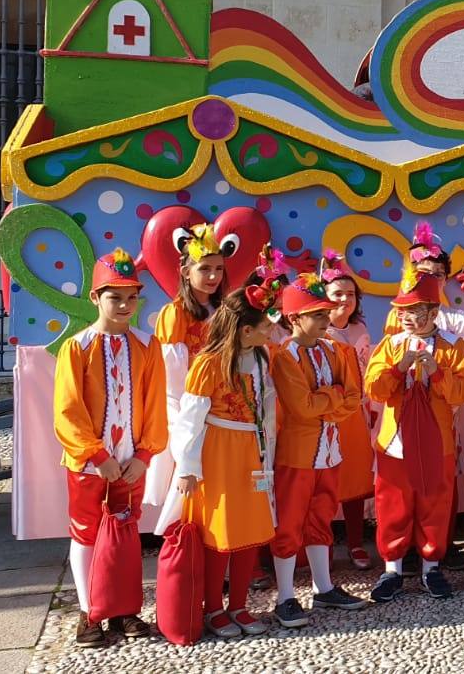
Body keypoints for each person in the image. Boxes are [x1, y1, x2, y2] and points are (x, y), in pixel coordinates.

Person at [53, 251, 167, 648]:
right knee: (87, 533)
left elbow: (155, 405)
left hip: (131, 463)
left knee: (125, 531)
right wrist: (96, 457)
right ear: (95, 299)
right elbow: (68, 409)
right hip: (90, 466)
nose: (123, 306)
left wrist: (145, 455)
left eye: (130, 297)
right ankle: (89, 613)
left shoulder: (147, 345)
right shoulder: (77, 348)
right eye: (114, 297)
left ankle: (122, 609)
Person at [161, 286, 280, 638]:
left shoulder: (261, 358)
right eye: (265, 326)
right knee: (220, 532)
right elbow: (190, 419)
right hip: (218, 451)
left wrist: (267, 449)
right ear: (246, 330)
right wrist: (187, 467)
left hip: (251, 450)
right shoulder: (208, 363)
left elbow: (265, 404)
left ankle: (239, 606)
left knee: (251, 530)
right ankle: (213, 607)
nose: (270, 331)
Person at [364, 272, 464, 602]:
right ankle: (393, 569)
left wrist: (437, 372)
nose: (408, 318)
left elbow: (460, 392)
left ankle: (431, 567)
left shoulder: (454, 347)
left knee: (434, 503)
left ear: (433, 311)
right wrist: (399, 369)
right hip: (394, 442)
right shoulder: (390, 345)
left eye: (415, 311)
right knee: (393, 503)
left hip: (436, 440)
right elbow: (374, 388)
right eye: (403, 311)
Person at [269, 276, 367, 627]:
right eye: (318, 313)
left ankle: (323, 587)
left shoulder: (334, 350)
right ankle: (284, 596)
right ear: (294, 318)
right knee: (290, 521)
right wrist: (334, 396)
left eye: (326, 312)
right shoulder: (283, 356)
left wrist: (329, 399)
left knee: (322, 516)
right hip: (297, 454)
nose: (327, 318)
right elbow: (301, 407)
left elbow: (353, 399)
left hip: (329, 450)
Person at [145, 224, 226, 507]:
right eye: (205, 269)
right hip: (188, 410)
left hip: (223, 408)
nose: (214, 276)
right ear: (185, 271)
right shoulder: (174, 314)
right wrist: (183, 425)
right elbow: (172, 383)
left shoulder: (226, 311)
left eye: (218, 268)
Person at [319, 253, 376, 571]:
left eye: (350, 294)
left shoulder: (360, 330)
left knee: (355, 480)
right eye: (337, 294)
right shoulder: (317, 331)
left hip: (355, 413)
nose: (344, 299)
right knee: (325, 480)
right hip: (325, 413)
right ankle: (322, 543)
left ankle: (355, 543)